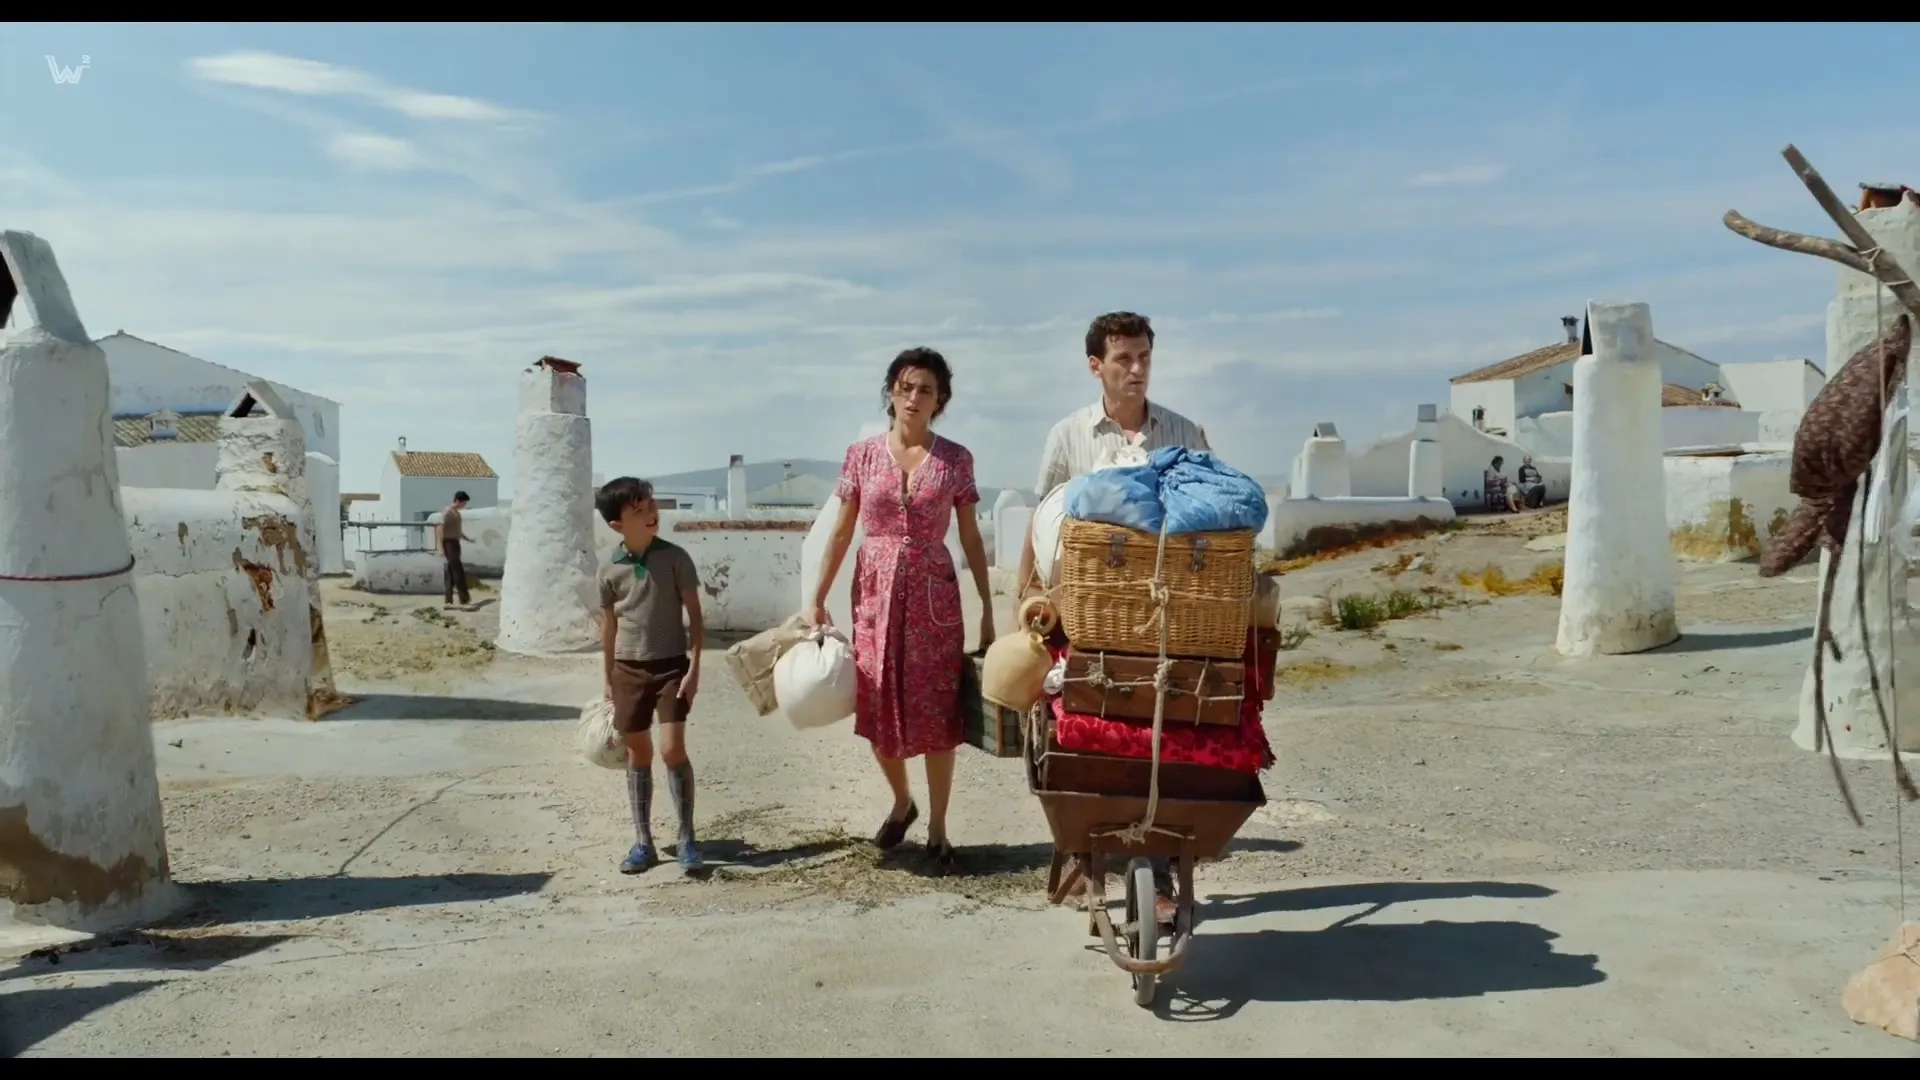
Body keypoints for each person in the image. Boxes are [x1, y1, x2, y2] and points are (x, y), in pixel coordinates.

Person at [1015, 311, 1211, 927]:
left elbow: (1208, 516)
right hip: (1086, 608)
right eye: (1123, 359)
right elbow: (1042, 517)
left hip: (1167, 612)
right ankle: (1090, 841)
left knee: (1166, 724)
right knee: (1085, 722)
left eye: (1144, 357)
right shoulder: (1069, 436)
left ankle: (1159, 859)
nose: (1136, 369)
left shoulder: (1183, 431)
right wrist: (1025, 593)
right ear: (1096, 365)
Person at [809, 347, 994, 871]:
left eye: (927, 390)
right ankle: (901, 801)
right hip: (874, 596)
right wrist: (817, 597)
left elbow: (971, 535)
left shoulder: (956, 459)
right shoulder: (862, 456)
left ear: (940, 401)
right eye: (907, 386)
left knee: (938, 711)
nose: (915, 397)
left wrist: (985, 603)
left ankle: (937, 825)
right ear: (891, 390)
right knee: (876, 703)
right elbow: (843, 530)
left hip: (935, 596)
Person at [595, 476, 706, 875]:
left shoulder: (675, 558)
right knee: (636, 754)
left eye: (651, 506)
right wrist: (607, 677)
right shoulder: (609, 568)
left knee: (672, 750)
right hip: (628, 670)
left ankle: (687, 838)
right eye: (638, 511)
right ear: (617, 524)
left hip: (672, 666)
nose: (651, 514)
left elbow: (694, 617)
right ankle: (644, 843)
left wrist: (694, 668)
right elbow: (608, 627)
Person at [435, 491, 475, 608]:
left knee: (450, 571)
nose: (464, 506)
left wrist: (466, 538)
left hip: (455, 542)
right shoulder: (447, 512)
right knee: (458, 570)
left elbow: (457, 530)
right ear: (458, 500)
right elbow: (440, 529)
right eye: (463, 503)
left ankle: (448, 599)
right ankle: (464, 599)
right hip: (448, 543)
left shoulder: (457, 513)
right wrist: (440, 547)